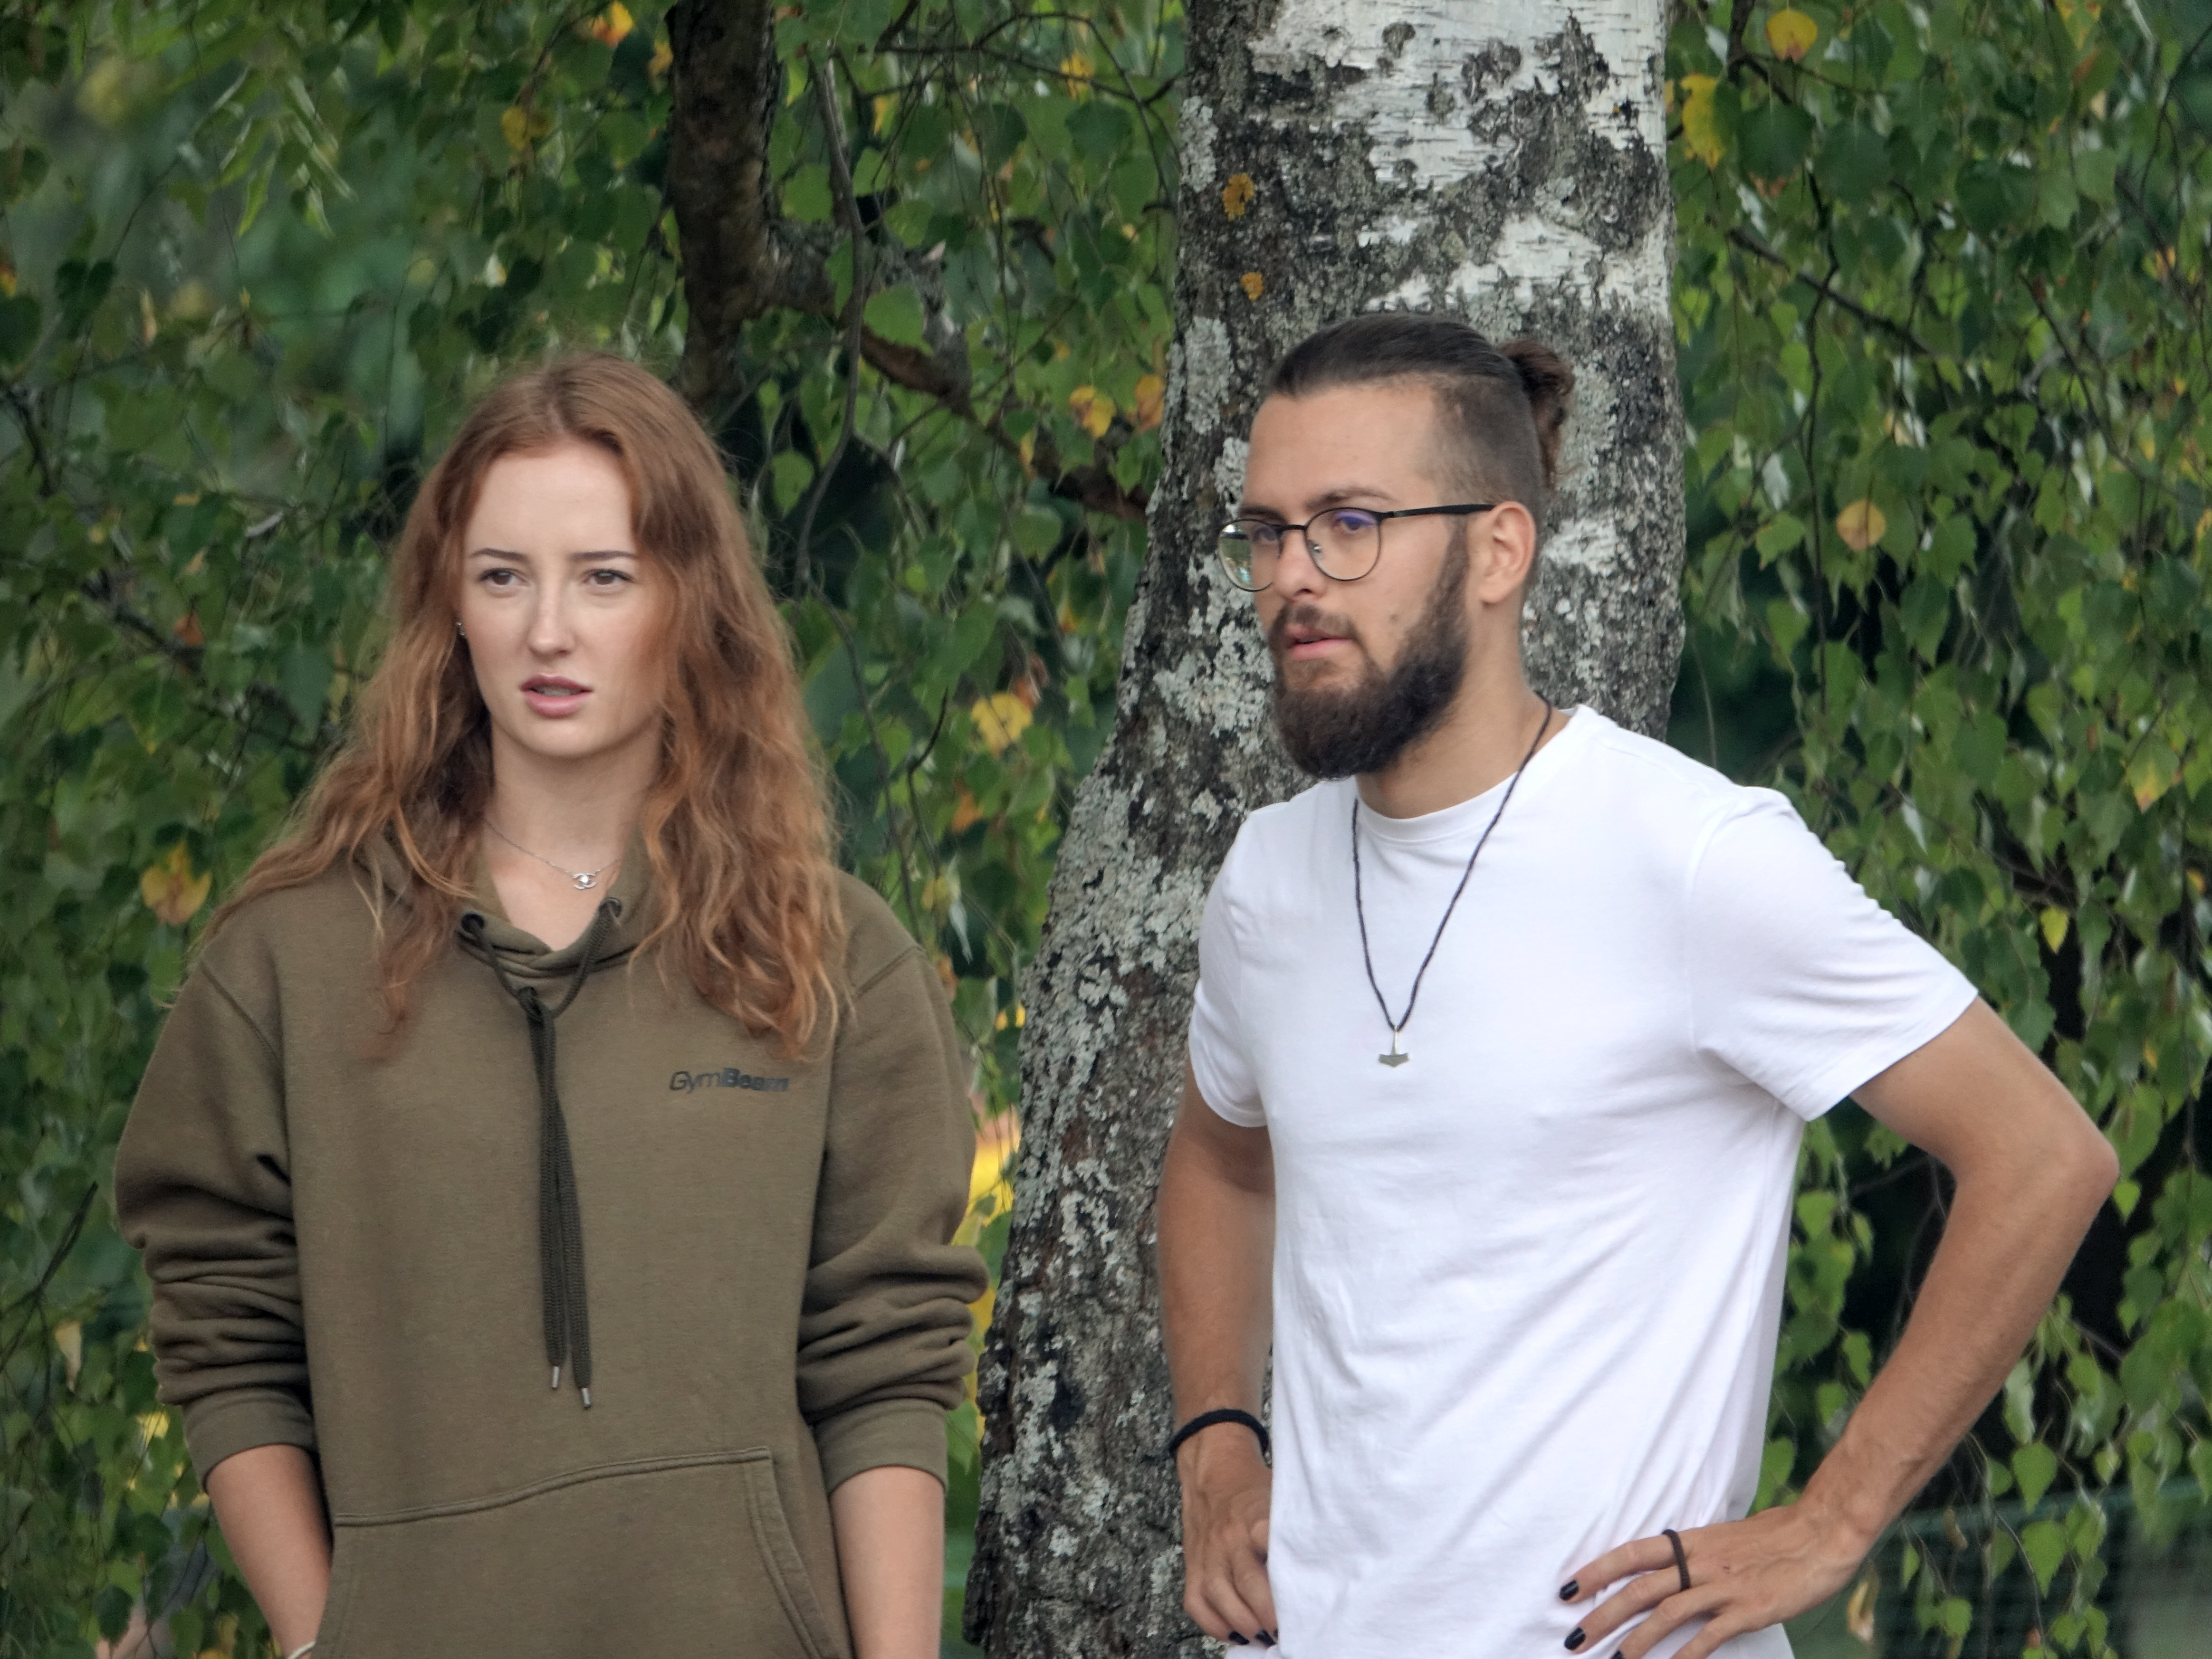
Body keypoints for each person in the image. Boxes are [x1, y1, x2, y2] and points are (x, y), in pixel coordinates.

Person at [1156, 314, 2116, 1659]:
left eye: (1350, 524)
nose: (1293, 578)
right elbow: (1218, 1159)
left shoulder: (1693, 859)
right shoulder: (1268, 878)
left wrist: (1832, 1520)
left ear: (1501, 549)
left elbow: (2043, 1155)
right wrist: (1215, 1442)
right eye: (1267, 532)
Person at [115, 355, 984, 1659]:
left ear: (689, 601)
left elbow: (886, 1362)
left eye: (605, 577)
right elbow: (223, 1329)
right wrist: (322, 1636)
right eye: (504, 576)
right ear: (451, 608)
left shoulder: (825, 955)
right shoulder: (291, 960)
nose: (549, 631)